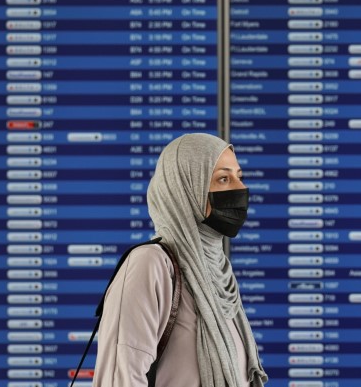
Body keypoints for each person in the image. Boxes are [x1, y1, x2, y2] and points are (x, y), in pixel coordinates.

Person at [93, 133, 267, 387]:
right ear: (186, 188)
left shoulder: (217, 273)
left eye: (239, 177)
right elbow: (120, 379)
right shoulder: (151, 264)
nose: (240, 189)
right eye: (223, 179)